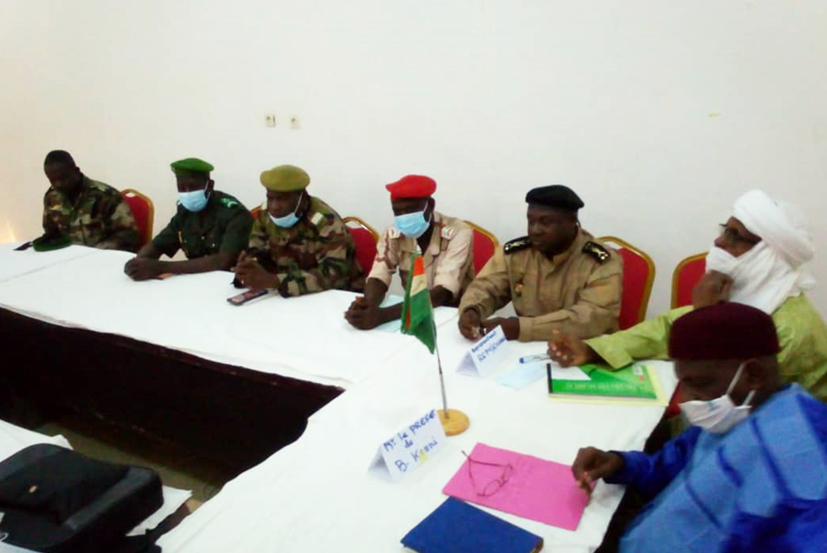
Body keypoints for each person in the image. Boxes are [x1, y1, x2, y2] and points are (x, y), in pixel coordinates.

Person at [571, 303, 827, 552]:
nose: (684, 399)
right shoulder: (735, 415)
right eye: (683, 383)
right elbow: (668, 466)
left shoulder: (809, 473)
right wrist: (620, 464)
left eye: (698, 383)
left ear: (753, 375)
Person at [548, 189, 827, 402]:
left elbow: (717, 405)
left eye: (735, 235)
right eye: (724, 230)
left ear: (768, 256)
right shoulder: (744, 296)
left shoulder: (787, 330)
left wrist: (704, 315)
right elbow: (665, 327)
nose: (719, 241)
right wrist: (592, 350)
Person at [457, 185, 622, 342]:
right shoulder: (516, 253)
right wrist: (472, 309)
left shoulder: (601, 261)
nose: (535, 230)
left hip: (583, 352)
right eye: (531, 221)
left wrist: (520, 328)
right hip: (526, 350)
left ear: (571, 222)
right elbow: (486, 287)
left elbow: (592, 318)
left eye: (545, 222)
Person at [344, 175, 474, 330]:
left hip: (453, 315)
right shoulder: (393, 234)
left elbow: (442, 292)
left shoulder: (459, 233)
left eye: (411, 210)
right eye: (398, 212)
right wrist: (367, 305)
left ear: (430, 205)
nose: (404, 217)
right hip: (413, 313)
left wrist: (382, 316)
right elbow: (379, 276)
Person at [233, 164, 363, 296]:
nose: (274, 207)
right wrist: (250, 266)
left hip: (337, 295)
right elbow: (257, 249)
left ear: (301, 198)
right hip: (286, 294)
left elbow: (333, 275)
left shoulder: (326, 222)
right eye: (270, 198)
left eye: (281, 199)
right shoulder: (266, 215)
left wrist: (276, 281)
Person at [123, 158, 253, 281]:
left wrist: (162, 267)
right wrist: (139, 261)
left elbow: (222, 261)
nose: (187, 193)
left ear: (210, 186)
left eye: (193, 187)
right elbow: (159, 244)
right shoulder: (185, 211)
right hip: (194, 281)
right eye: (182, 188)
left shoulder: (233, 213)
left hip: (226, 282)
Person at [41, 150, 139, 251]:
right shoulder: (52, 198)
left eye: (64, 178)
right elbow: (52, 234)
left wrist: (92, 254)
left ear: (76, 171)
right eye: (53, 180)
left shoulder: (105, 196)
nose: (59, 184)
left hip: (103, 258)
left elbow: (128, 235)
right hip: (69, 259)